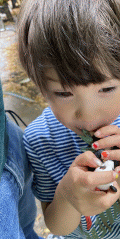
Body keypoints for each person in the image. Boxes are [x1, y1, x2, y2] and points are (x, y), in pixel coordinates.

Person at [17, 0, 120, 238]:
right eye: (64, 93)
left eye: (106, 89)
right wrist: (67, 195)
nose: (89, 116)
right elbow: (57, 226)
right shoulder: (39, 139)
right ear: (42, 90)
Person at [0, 81, 44, 239]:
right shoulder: (40, 135)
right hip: (8, 144)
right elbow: (56, 223)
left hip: (8, 142)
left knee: (26, 230)